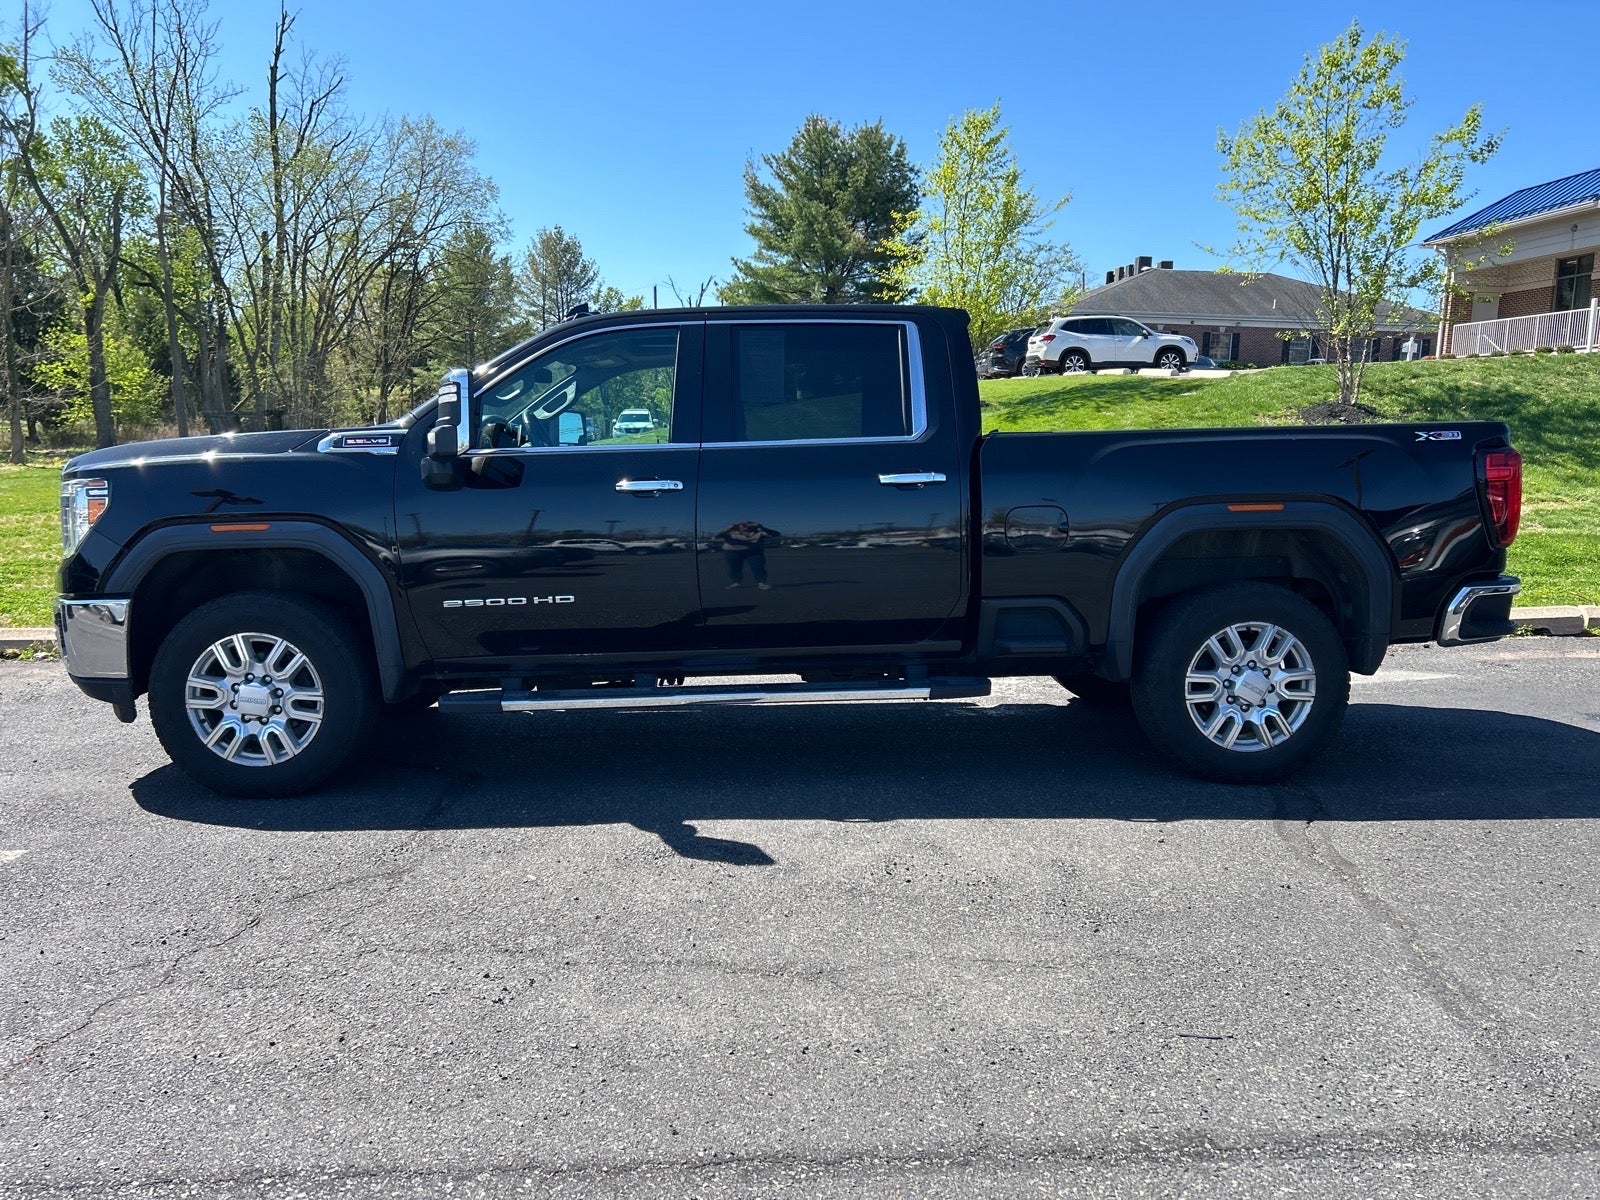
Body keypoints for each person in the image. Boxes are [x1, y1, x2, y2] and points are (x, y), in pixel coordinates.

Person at [716, 519, 780, 589]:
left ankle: (761, 583)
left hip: (754, 551)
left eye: (749, 523)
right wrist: (730, 527)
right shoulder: (730, 532)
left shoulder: (759, 532)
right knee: (734, 568)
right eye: (742, 524)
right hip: (733, 551)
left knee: (758, 566)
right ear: (738, 526)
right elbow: (717, 535)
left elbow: (776, 534)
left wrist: (762, 527)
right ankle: (736, 582)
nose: (745, 525)